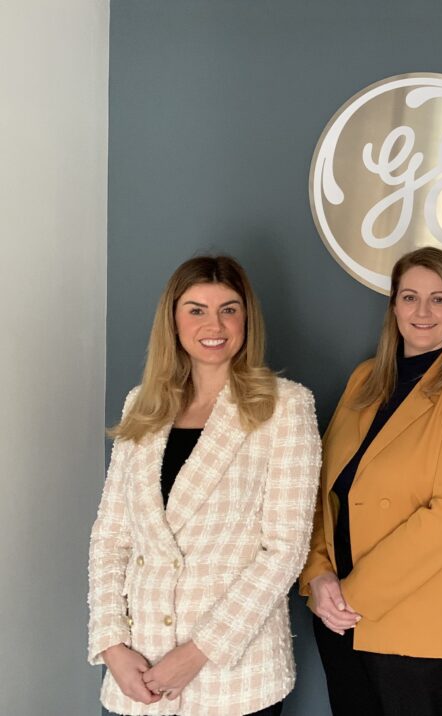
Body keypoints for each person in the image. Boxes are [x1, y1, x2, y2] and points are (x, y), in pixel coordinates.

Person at [87, 255, 322, 716]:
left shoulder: (285, 408)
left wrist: (197, 653)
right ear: (173, 320)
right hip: (138, 672)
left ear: (246, 318)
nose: (214, 324)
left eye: (229, 309)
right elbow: (110, 537)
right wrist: (112, 643)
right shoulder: (143, 404)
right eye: (196, 309)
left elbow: (285, 551)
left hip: (232, 677)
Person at [299, 247, 442, 716]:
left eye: (438, 299)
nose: (422, 311)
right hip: (341, 624)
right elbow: (323, 493)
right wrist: (318, 576)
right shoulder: (364, 380)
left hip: (424, 633)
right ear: (393, 306)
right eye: (409, 297)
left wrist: (353, 594)